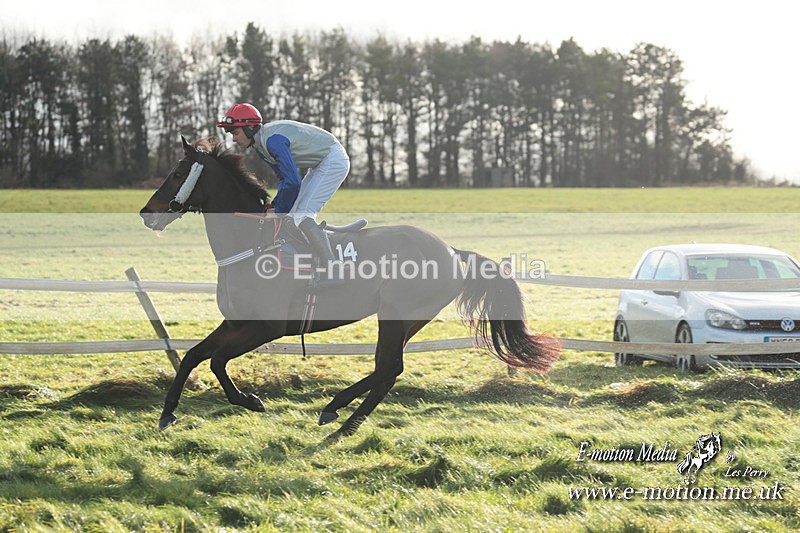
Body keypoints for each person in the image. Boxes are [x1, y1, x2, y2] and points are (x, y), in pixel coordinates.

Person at [217, 103, 349, 289]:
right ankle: (310, 262)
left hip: (333, 160)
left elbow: (293, 181)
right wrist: (276, 206)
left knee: (302, 215)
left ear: (249, 127)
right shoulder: (261, 146)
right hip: (320, 163)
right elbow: (283, 177)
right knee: (292, 215)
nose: (234, 138)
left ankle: (333, 270)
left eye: (235, 132)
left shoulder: (272, 141)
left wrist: (278, 209)